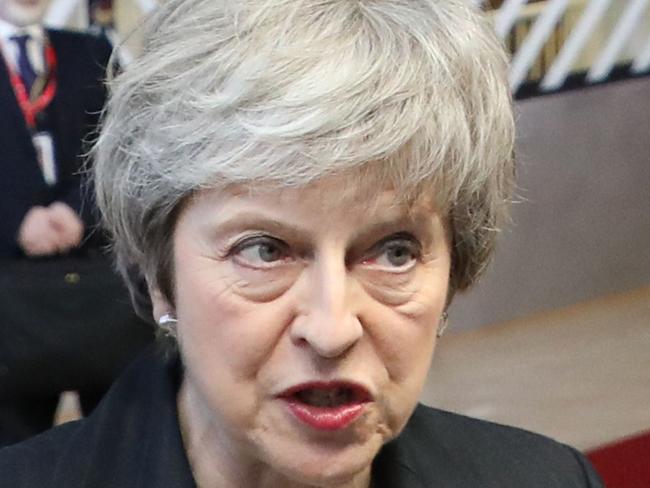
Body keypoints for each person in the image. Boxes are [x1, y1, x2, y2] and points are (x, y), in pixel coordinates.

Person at [0, 0, 604, 486]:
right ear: (159, 275)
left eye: (395, 251)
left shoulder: (550, 478)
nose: (332, 327)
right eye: (263, 249)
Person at [0, 0, 152, 445]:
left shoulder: (89, 52)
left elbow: (125, 146)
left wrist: (78, 212)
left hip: (96, 292)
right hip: (9, 301)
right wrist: (15, 223)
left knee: (120, 438)